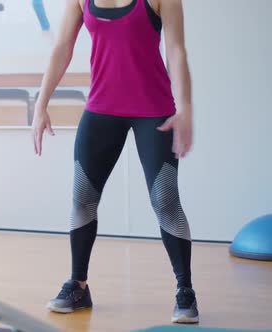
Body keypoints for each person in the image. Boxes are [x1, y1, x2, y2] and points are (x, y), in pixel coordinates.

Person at [32, 0, 198, 324]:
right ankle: (78, 285)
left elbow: (176, 51)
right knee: (82, 197)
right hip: (101, 109)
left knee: (165, 200)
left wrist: (186, 108)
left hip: (154, 110)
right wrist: (41, 103)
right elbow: (63, 46)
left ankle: (185, 290)